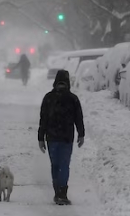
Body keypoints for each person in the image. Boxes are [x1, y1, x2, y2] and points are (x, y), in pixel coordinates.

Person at [38, 69, 85, 205]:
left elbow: (43, 119)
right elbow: (78, 118)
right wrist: (81, 134)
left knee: (55, 164)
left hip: (51, 137)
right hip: (66, 137)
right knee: (64, 165)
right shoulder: (73, 99)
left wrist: (41, 137)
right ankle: (62, 192)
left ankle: (57, 190)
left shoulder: (48, 98)